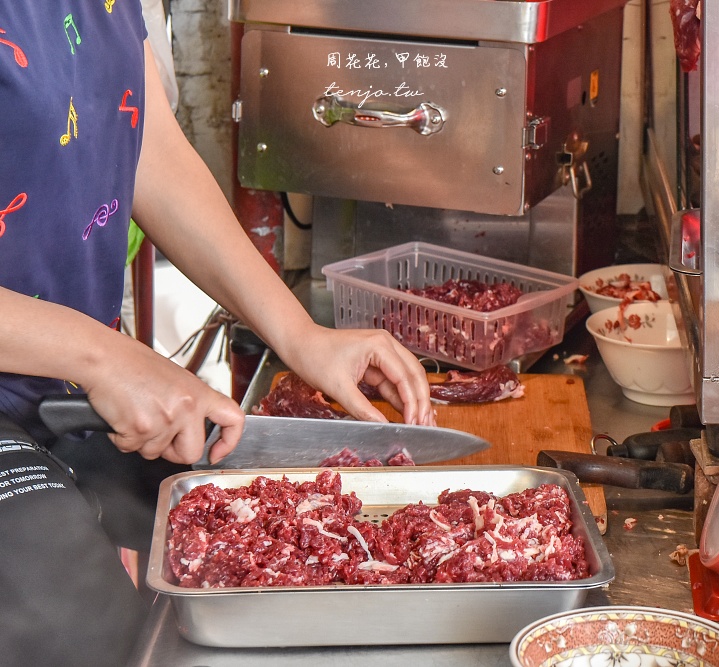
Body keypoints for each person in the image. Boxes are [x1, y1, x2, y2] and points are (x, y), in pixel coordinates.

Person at [0, 4, 435, 665]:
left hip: (59, 385)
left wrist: (300, 332)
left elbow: (143, 142)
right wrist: (103, 356)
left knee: (247, 535)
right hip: (54, 378)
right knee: (79, 624)